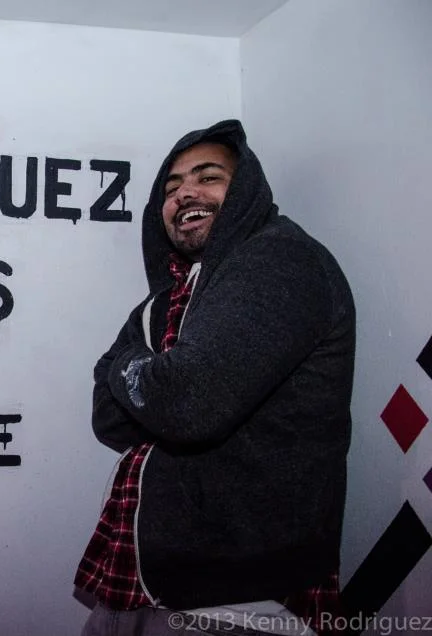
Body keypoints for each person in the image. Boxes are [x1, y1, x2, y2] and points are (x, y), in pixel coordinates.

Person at [74, 120, 355, 636]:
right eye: (172, 187)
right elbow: (108, 418)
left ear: (246, 190)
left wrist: (131, 368)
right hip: (144, 579)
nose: (186, 194)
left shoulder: (279, 260)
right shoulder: (169, 298)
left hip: (241, 598)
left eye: (208, 177)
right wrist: (154, 383)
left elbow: (185, 405)